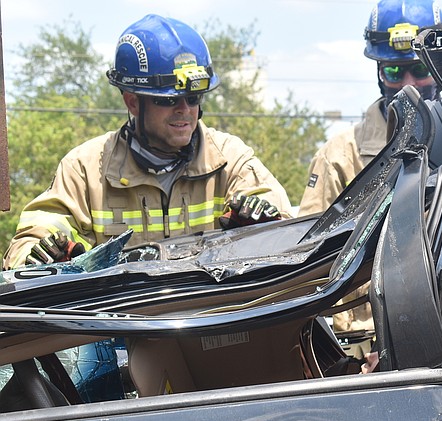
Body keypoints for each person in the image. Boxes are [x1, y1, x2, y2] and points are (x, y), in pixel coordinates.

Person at [3, 14, 293, 269]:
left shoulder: (230, 159)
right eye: (167, 100)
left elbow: (281, 216)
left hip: (210, 321)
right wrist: (36, 256)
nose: (185, 110)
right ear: (132, 102)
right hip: (125, 325)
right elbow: (36, 233)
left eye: (193, 98)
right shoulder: (85, 169)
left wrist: (266, 224)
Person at [298, 0, 442, 335]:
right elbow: (305, 265)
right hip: (362, 339)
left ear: (438, 66)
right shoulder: (339, 156)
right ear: (379, 73)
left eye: (420, 69)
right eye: (394, 71)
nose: (408, 83)